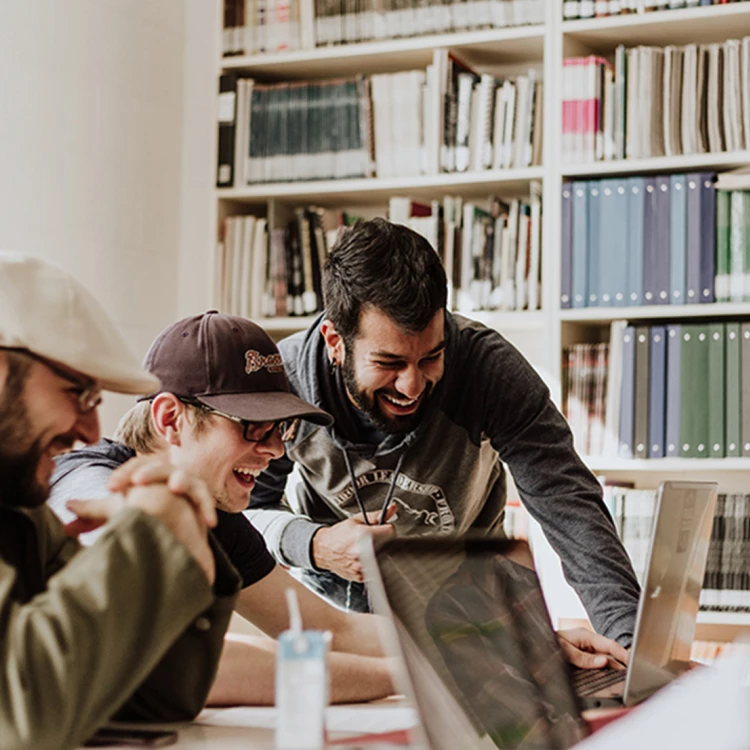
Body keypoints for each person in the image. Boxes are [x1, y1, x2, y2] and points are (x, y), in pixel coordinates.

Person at [248, 217, 642, 649]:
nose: (412, 386)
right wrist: (316, 545)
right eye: (389, 363)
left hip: (471, 617)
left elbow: (572, 511)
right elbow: (245, 514)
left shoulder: (491, 372)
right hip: (335, 625)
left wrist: (629, 648)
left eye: (431, 357)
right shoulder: (285, 385)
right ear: (335, 341)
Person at [49, 311, 396, 705]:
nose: (276, 450)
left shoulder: (215, 516)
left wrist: (455, 648)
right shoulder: (86, 485)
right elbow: (176, 661)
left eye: (280, 429)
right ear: (170, 419)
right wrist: (407, 678)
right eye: (253, 425)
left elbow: (329, 629)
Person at [0, 253, 240, 750]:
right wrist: (152, 534)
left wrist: (183, 532)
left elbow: (149, 701)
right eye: (79, 393)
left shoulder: (23, 520)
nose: (91, 431)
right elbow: (21, 721)